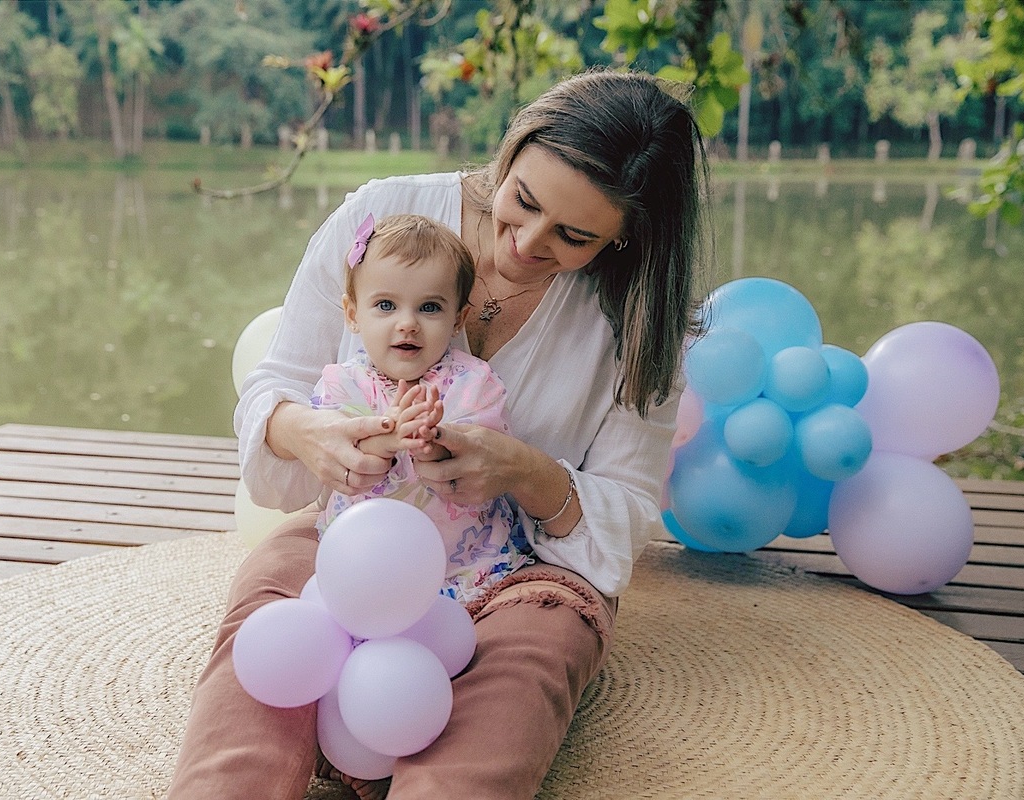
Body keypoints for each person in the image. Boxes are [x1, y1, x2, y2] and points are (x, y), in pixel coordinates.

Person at [169, 68, 710, 800]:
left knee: (513, 692)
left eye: (574, 237)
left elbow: (629, 510)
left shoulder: (640, 317)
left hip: (525, 569)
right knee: (264, 644)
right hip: (354, 536)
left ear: (627, 240)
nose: (522, 245)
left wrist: (523, 470)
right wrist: (308, 434)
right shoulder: (386, 212)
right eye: (520, 202)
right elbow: (276, 383)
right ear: (513, 149)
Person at [312, 212, 533, 604]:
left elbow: (486, 460)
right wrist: (386, 438)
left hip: (464, 559)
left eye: (429, 308)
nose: (407, 324)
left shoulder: (474, 384)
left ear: (458, 319)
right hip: (362, 556)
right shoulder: (342, 385)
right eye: (385, 305)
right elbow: (339, 461)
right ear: (352, 314)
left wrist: (435, 441)